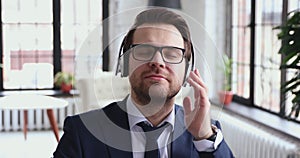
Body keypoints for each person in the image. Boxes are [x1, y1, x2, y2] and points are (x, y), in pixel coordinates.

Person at [53, 8, 234, 158]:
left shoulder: (206, 132)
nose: (158, 61)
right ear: (125, 64)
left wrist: (204, 137)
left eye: (172, 54)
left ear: (186, 70)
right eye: (144, 50)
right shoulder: (81, 132)